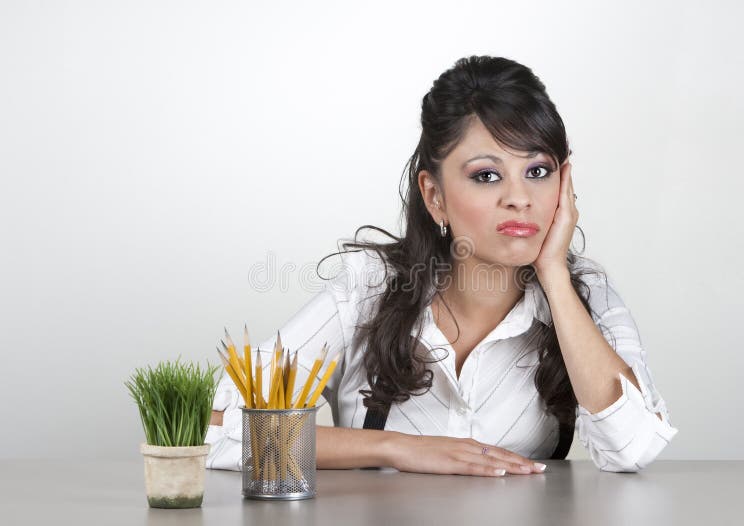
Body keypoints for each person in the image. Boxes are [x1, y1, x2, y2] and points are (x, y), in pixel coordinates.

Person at [205, 55, 678, 476]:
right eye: (487, 175)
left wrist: (554, 275)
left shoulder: (587, 302)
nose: (518, 198)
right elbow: (215, 431)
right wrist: (396, 448)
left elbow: (631, 448)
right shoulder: (367, 291)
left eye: (538, 171)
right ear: (435, 195)